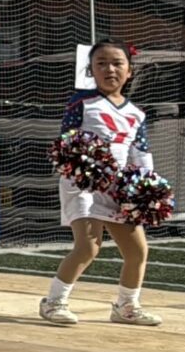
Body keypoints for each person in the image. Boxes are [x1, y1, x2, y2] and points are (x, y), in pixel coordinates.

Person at [41, 42, 163, 327]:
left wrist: (146, 189)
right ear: (91, 71)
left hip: (119, 188)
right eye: (101, 63)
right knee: (88, 246)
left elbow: (141, 152)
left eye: (117, 63)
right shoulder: (81, 103)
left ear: (130, 71)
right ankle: (53, 302)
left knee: (137, 251)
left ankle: (126, 306)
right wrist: (84, 171)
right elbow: (66, 143)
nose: (110, 69)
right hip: (83, 184)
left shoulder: (137, 113)